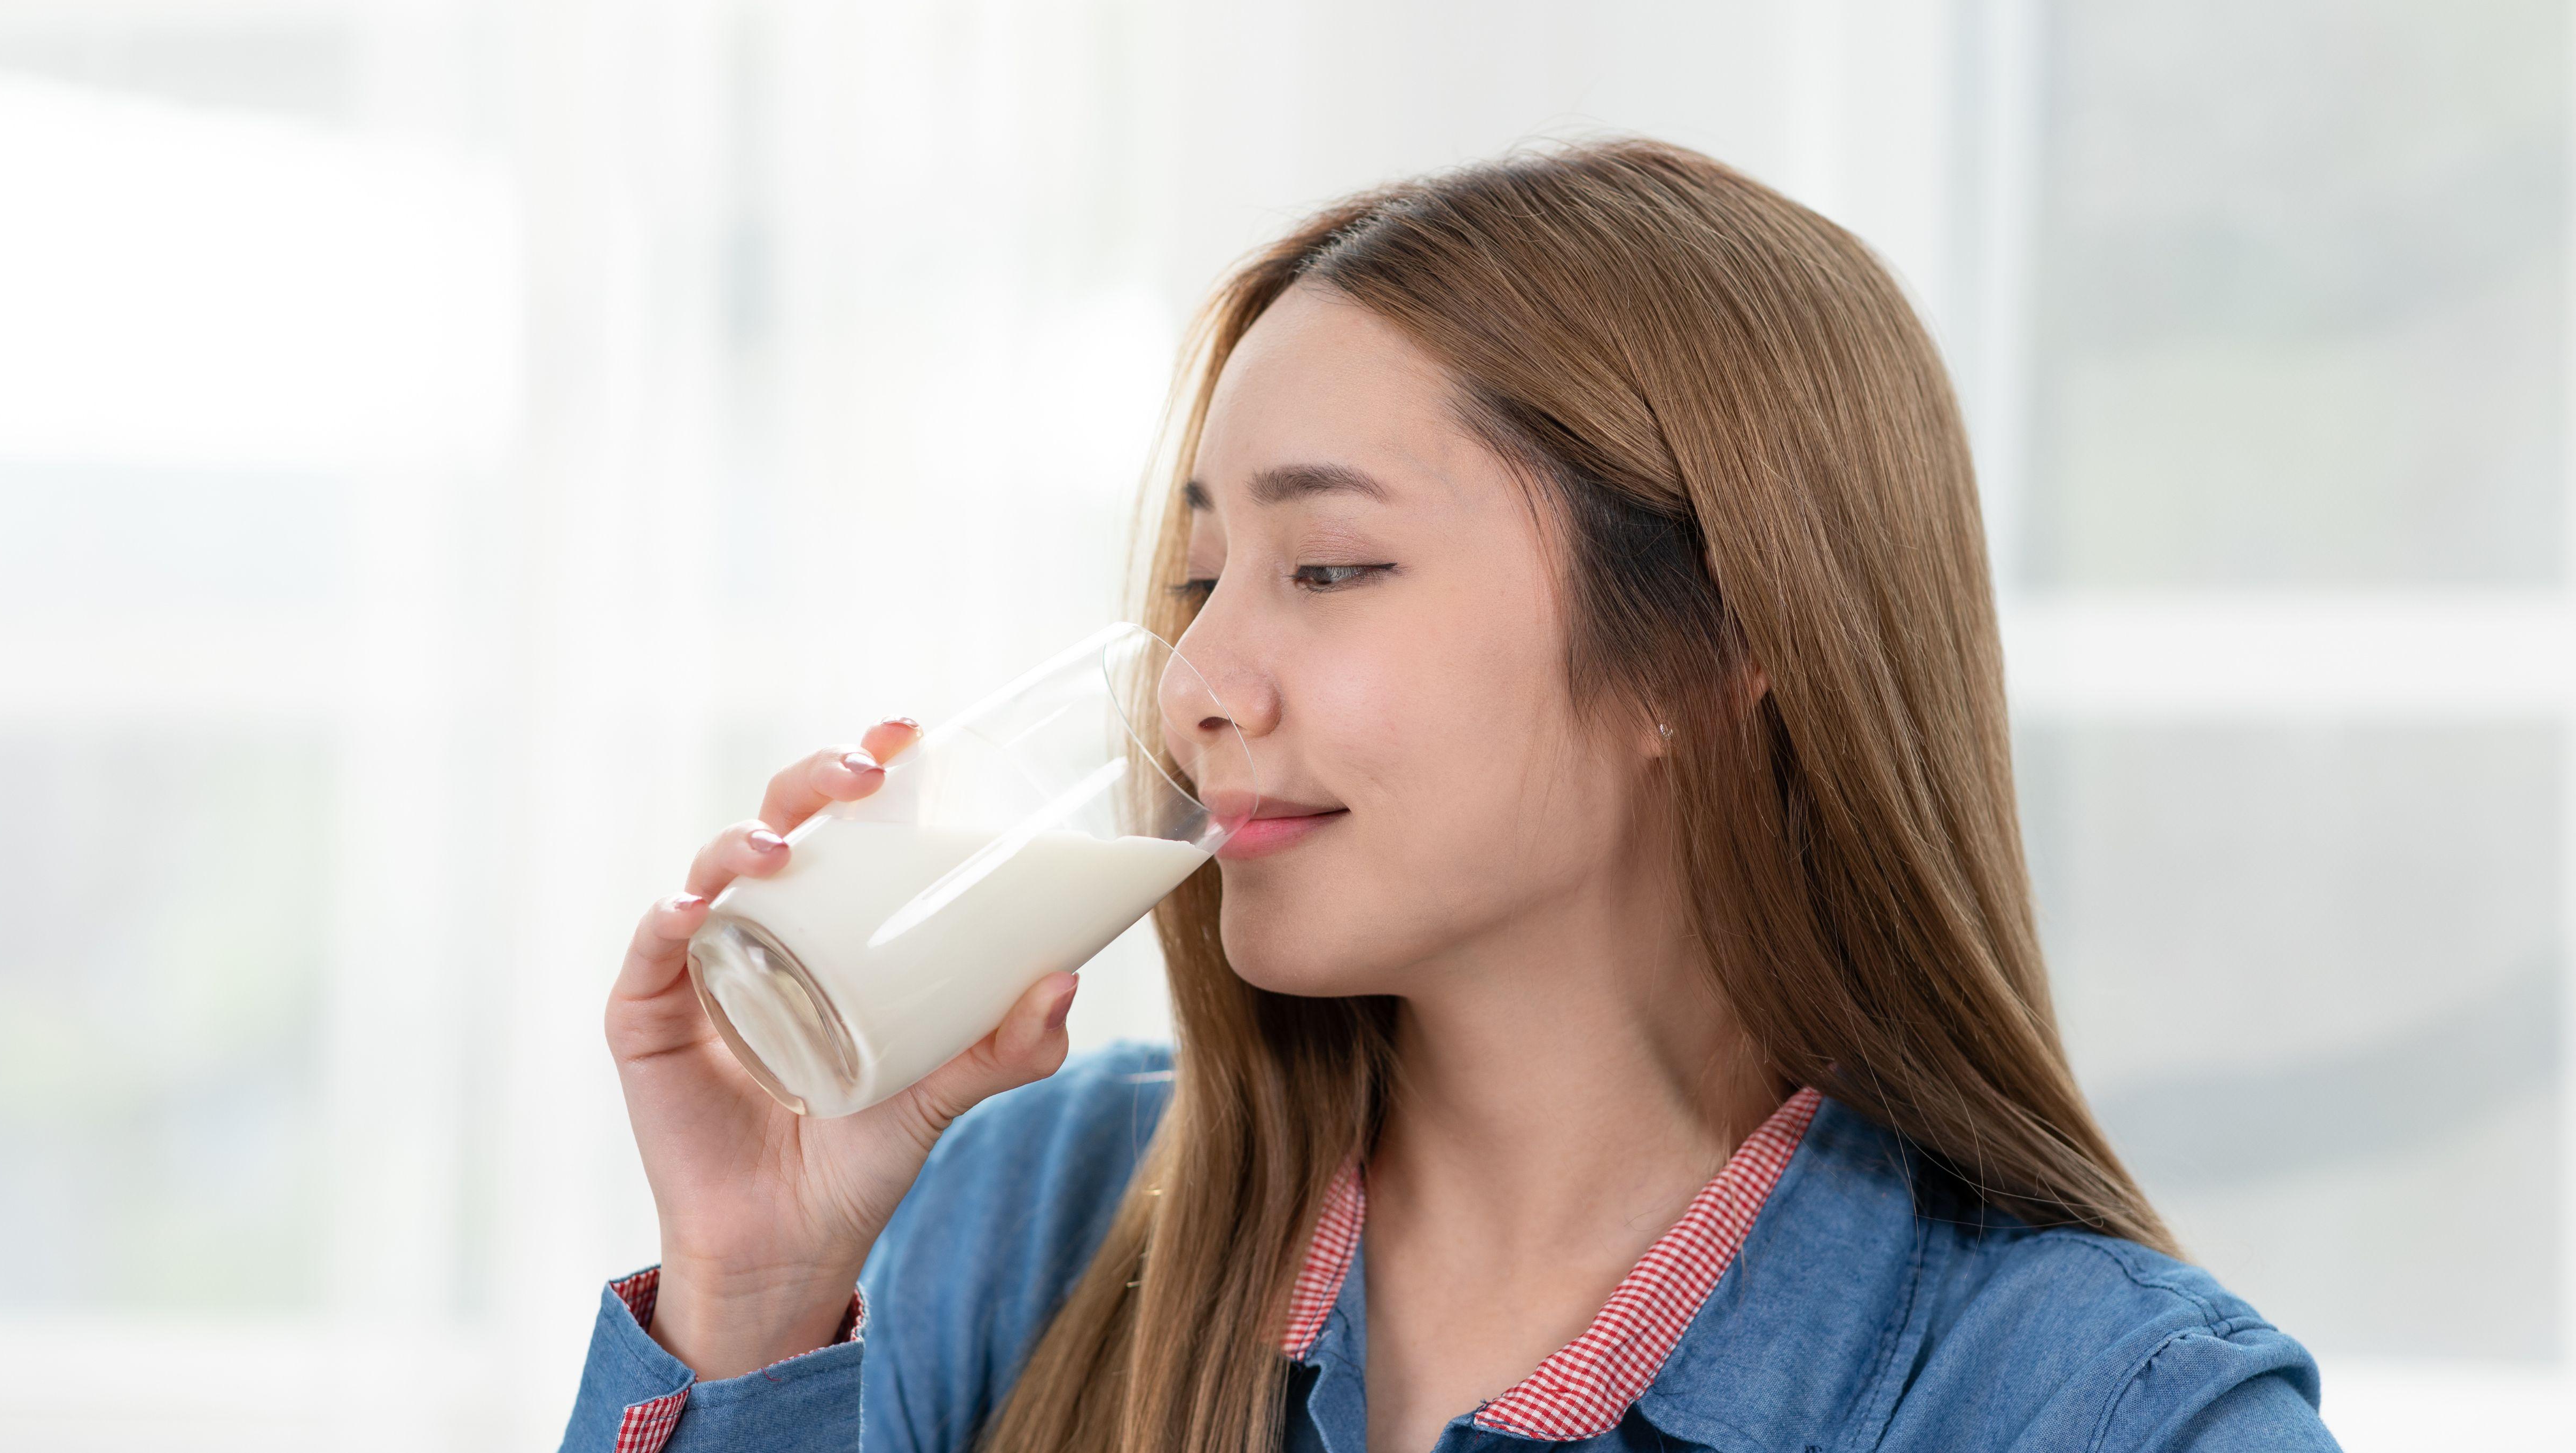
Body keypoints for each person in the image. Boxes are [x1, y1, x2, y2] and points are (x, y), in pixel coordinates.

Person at [562, 138, 2339, 1452]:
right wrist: (751, 1289)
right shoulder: (1030, 1214)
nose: (1196, 685)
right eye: (1197, 582)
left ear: (1708, 649)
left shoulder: (2108, 1412)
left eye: (1329, 567)